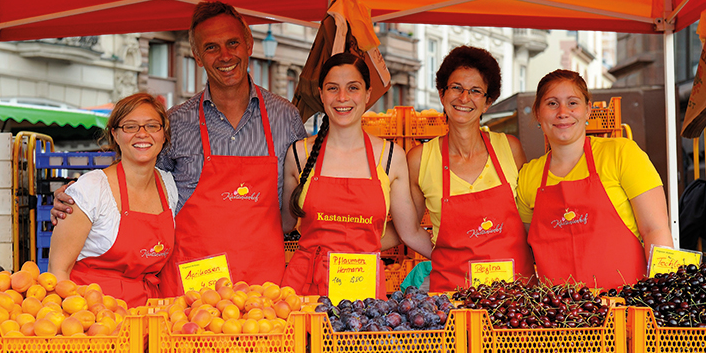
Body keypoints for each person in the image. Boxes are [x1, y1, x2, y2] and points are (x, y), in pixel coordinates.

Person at [52, 1, 307, 295]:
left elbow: (304, 193)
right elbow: (136, 185)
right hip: (192, 293)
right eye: (211, 47)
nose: (225, 55)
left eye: (233, 43)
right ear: (197, 56)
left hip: (264, 290)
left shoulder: (286, 118)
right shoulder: (176, 122)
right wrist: (77, 199)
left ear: (249, 43)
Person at [280, 53, 434, 297]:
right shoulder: (299, 154)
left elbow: (410, 232)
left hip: (363, 293)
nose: (342, 97)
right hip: (304, 291)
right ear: (321, 94)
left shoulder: (390, 156)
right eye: (333, 88)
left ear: (367, 94)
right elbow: (284, 224)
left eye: (353, 88)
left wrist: (455, 261)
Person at [517, 69, 673, 289]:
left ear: (588, 109)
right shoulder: (528, 176)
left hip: (625, 309)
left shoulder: (622, 154)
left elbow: (655, 230)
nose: (563, 112)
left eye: (572, 103)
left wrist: (663, 293)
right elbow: (527, 248)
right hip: (558, 315)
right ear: (537, 113)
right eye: (552, 103)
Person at [407, 46, 535, 291]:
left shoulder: (509, 149)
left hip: (516, 303)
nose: (464, 98)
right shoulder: (420, 159)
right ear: (442, 93)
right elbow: (410, 229)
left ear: (487, 103)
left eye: (475, 91)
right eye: (456, 88)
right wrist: (444, 255)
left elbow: (529, 220)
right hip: (452, 300)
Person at [48, 93, 177, 307]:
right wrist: (80, 321)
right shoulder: (92, 189)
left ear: (164, 134)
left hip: (147, 317)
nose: (142, 134)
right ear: (115, 135)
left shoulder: (169, 185)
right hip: (95, 320)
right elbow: (57, 271)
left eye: (152, 126)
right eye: (130, 126)